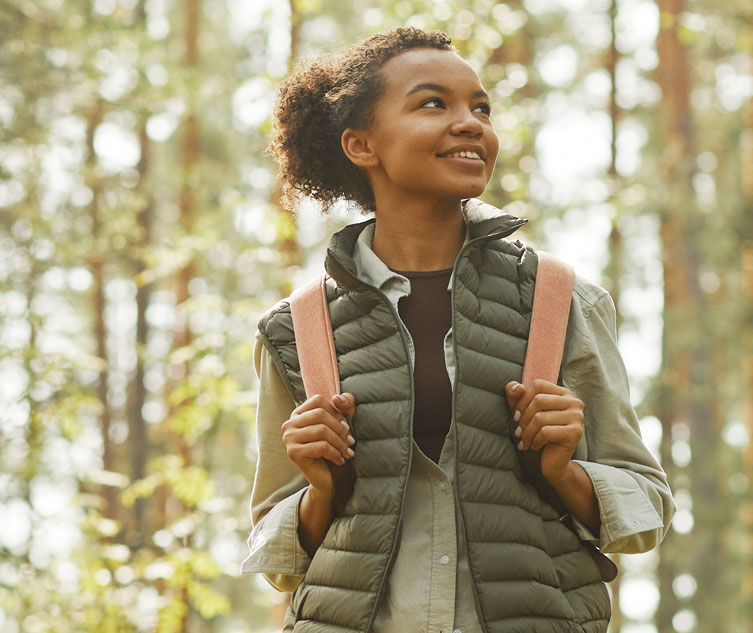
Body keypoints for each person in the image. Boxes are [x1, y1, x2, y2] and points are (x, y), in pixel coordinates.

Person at [242, 26, 674, 633]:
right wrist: (322, 489)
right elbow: (279, 555)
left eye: (481, 108)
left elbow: (645, 508)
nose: (471, 123)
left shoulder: (562, 300)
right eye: (432, 103)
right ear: (361, 144)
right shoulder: (297, 328)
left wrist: (562, 472)